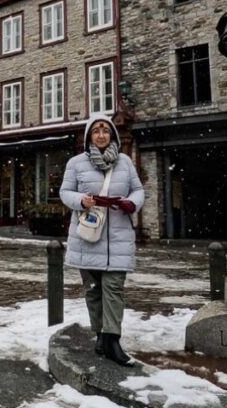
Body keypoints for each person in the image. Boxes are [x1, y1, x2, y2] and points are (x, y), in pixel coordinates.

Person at [60, 114, 144, 366]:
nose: (101, 135)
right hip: (88, 236)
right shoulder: (75, 163)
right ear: (89, 137)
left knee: (114, 289)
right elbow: (65, 192)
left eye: (105, 130)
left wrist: (132, 203)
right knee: (94, 291)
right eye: (96, 130)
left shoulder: (125, 163)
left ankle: (113, 339)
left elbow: (138, 190)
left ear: (113, 135)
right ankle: (100, 335)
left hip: (118, 236)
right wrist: (80, 201)